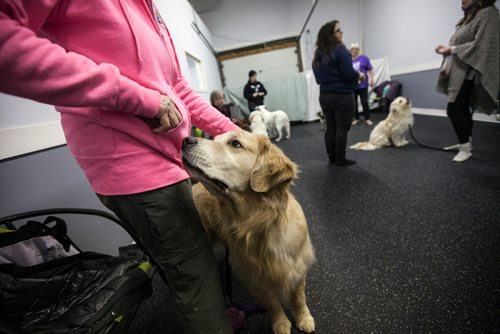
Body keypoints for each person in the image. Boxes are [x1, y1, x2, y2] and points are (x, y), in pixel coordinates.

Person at [0, 2, 245, 333]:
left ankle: (211, 313)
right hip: (133, 163)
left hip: (169, 156)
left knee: (188, 260)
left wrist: (239, 134)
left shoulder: (147, 8)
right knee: (193, 270)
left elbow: (177, 89)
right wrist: (141, 99)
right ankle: (212, 322)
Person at [435, 0, 499, 162]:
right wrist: (447, 49)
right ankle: (465, 143)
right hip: (459, 70)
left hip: (470, 70)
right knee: (462, 108)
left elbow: (483, 45)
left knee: (454, 109)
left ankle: (465, 148)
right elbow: (463, 42)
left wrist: (452, 49)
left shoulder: (489, 13)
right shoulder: (469, 17)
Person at [312, 20, 366, 166]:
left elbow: (318, 79)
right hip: (342, 96)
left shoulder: (318, 54)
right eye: (338, 30)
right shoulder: (340, 49)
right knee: (342, 128)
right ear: (331, 34)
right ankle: (340, 159)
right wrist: (359, 76)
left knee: (331, 128)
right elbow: (348, 74)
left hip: (325, 96)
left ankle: (332, 158)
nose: (342, 33)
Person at [350, 43, 375, 126]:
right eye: (352, 49)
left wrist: (371, 79)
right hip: (352, 85)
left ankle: (367, 119)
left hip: (363, 85)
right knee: (354, 103)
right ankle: (356, 119)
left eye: (355, 49)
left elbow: (370, 69)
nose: (353, 51)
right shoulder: (348, 60)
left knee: (364, 102)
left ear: (358, 50)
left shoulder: (364, 59)